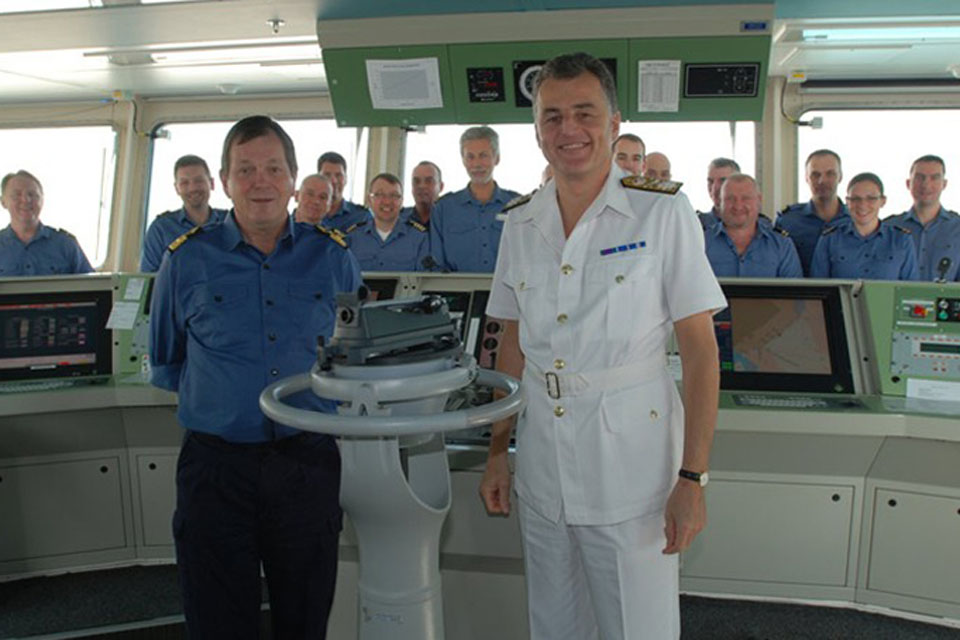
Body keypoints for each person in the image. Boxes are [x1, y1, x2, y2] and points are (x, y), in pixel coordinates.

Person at [480, 52, 726, 640]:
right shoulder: (520, 222)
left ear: (615, 123)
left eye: (584, 113)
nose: (569, 130)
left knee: (636, 628)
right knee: (554, 626)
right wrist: (497, 449)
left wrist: (692, 478)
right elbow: (512, 342)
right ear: (538, 132)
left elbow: (699, 351)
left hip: (632, 474)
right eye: (552, 117)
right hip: (542, 468)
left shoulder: (661, 212)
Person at [149, 116, 363, 639]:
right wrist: (231, 404)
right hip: (216, 468)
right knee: (218, 621)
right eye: (245, 170)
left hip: (306, 464)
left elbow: (353, 357)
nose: (260, 181)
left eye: (272, 168)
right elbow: (169, 362)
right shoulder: (185, 261)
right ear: (225, 181)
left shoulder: (333, 258)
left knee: (304, 617)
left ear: (294, 179)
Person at [429, 126, 520, 272]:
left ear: (497, 158)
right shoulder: (443, 209)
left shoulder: (518, 205)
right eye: (470, 156)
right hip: (457, 291)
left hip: (508, 292)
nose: (477, 164)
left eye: (483, 155)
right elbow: (437, 264)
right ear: (463, 160)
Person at [810, 172, 919, 281]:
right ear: (847, 202)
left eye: (871, 198)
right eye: (856, 199)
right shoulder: (830, 239)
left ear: (882, 201)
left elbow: (910, 290)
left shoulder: (902, 240)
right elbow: (818, 289)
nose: (862, 205)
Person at [140, 155, 228, 272]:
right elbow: (149, 278)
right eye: (184, 183)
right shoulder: (161, 229)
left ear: (211, 183)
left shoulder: (230, 222)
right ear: (176, 188)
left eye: (198, 181)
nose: (192, 188)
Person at [704, 174, 802, 278]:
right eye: (730, 199)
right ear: (720, 202)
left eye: (746, 198)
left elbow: (793, 292)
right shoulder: (702, 243)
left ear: (759, 200)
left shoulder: (782, 246)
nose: (738, 205)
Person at [0, 170, 93, 276]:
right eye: (17, 195)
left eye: (32, 194)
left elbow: (93, 287)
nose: (25, 200)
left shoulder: (66, 245)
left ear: (42, 200)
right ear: (3, 202)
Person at [885, 155, 960, 281]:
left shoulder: (957, 228)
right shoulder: (889, 228)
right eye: (920, 177)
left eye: (934, 178)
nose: (926, 184)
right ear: (908, 183)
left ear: (944, 184)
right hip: (895, 300)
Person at [777, 149, 849, 276]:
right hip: (799, 294)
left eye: (830, 174)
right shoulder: (788, 222)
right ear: (806, 178)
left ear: (840, 176)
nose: (822, 181)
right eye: (815, 175)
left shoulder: (855, 220)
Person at [346, 172, 428, 271]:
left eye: (394, 195)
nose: (387, 202)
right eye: (380, 195)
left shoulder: (419, 239)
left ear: (401, 201)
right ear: (369, 200)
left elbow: (424, 281)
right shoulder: (353, 238)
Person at [317, 151, 371, 232]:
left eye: (338, 175)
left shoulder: (362, 217)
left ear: (346, 179)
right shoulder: (305, 216)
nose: (333, 181)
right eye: (327, 175)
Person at [698, 157, 741, 229]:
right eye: (711, 181)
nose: (715, 188)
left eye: (723, 181)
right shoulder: (697, 224)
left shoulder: (758, 227)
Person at [400, 160, 443, 229]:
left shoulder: (450, 220)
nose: (422, 186)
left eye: (429, 181)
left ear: (441, 187)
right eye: (416, 181)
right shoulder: (398, 220)